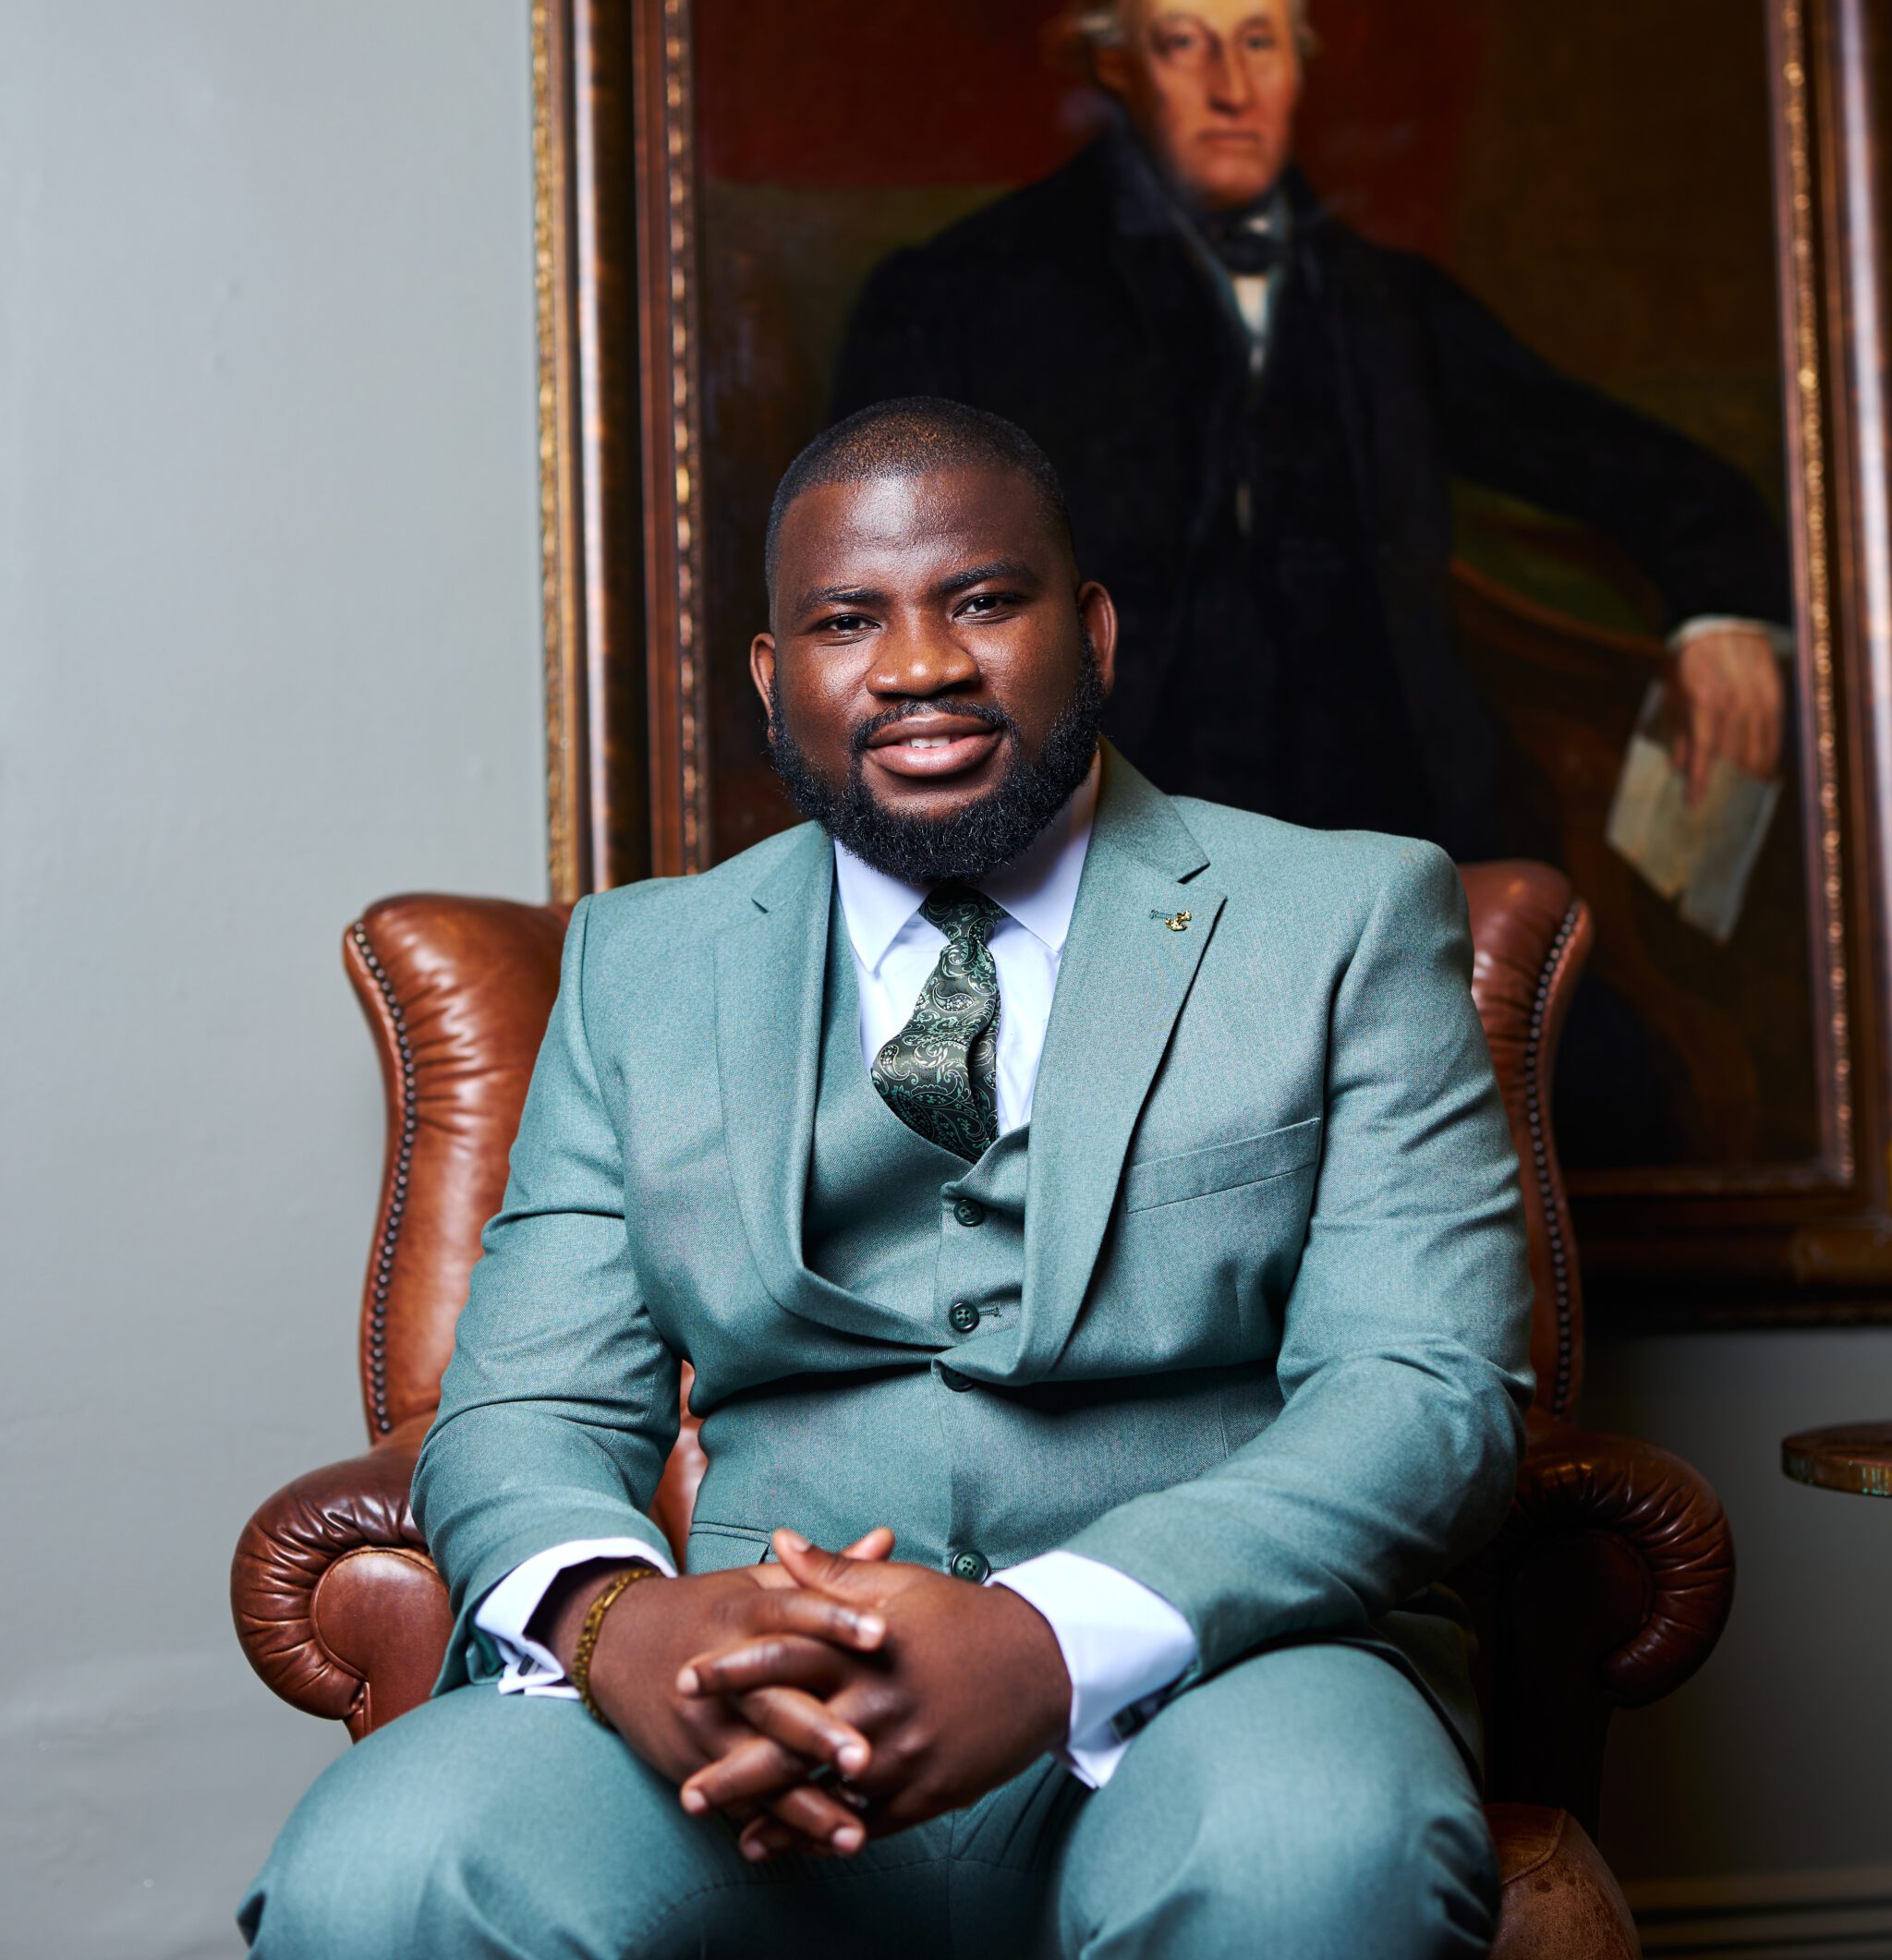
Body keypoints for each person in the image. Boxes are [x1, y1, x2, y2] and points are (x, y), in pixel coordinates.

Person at [242, 398, 1533, 1960]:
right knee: (385, 1871)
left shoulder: (1343, 920)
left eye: (981, 601)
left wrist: (1052, 1636)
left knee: (1305, 1856)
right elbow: (530, 1406)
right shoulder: (639, 966)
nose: (919, 666)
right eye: (848, 620)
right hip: (746, 1713)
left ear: (1092, 631)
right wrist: (620, 1622)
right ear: (772, 677)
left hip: (1212, 1676)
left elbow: (1422, 1391)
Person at [834, 0, 1790, 862]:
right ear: (1115, 65)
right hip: (1095, 847)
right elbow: (858, 592)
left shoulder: (1383, 302)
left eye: (1259, 42)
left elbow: (1629, 466)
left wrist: (1718, 615)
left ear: (1298, 63)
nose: (1232, 88)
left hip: (1394, 844)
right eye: (1184, 43)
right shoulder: (959, 294)